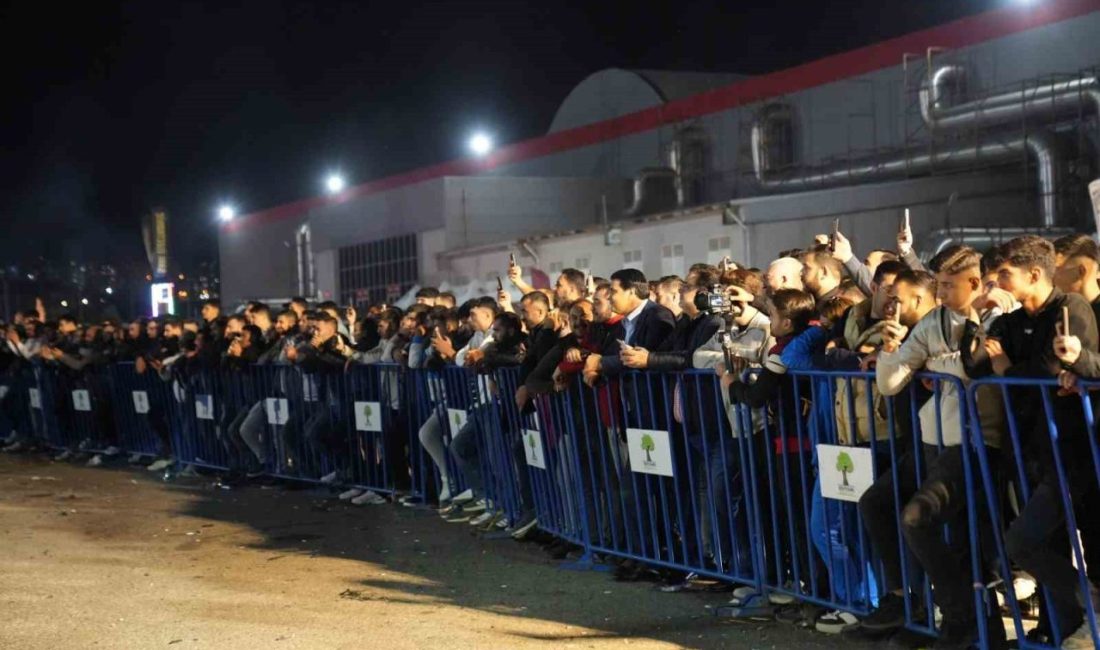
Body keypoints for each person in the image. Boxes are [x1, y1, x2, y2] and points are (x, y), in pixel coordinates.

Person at [858, 247, 1004, 646]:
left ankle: (961, 621)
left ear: (974, 283)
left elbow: (974, 370)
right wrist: (891, 352)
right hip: (930, 441)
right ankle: (906, 601)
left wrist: (935, 364)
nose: (939, 293)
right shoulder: (934, 321)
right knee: (876, 503)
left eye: (947, 285)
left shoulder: (997, 315)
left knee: (922, 522)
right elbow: (892, 382)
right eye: (937, 284)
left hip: (975, 444)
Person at [961, 235, 1100, 649]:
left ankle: (1089, 610)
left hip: (1071, 448)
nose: (995, 282)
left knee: (1029, 540)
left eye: (1004, 274)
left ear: (1034, 274)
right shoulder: (1008, 317)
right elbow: (973, 364)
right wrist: (977, 317)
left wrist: (1008, 370)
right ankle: (1069, 626)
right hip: (1029, 449)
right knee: (1041, 542)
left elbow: (1050, 365)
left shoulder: (1069, 308)